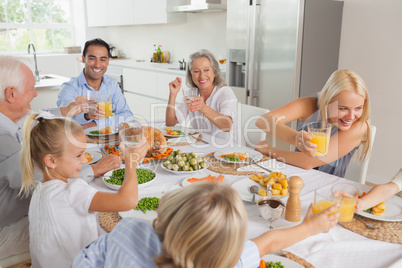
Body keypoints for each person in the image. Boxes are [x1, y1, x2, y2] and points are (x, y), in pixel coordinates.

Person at [0, 56, 121, 260]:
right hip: (7, 228)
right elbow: (49, 180)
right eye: (31, 88)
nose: (36, 93)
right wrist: (94, 169)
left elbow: (36, 116)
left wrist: (67, 111)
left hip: (20, 213)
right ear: (11, 94)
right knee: (94, 223)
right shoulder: (3, 139)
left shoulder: (9, 120)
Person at [73, 182, 339, 267]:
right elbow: (268, 242)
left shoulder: (128, 229)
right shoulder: (228, 263)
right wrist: (312, 227)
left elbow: (83, 260)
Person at [20, 112, 148, 268]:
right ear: (51, 160)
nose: (86, 160)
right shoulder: (72, 192)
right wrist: (131, 163)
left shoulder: (39, 192)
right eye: (79, 155)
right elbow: (129, 201)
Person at [255, 69, 372, 178]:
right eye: (343, 108)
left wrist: (270, 151)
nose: (351, 117)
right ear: (328, 100)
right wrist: (295, 138)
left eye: (358, 108)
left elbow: (308, 162)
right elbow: (263, 121)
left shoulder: (359, 126)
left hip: (327, 189)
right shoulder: (311, 105)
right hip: (297, 177)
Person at [165, 49, 241, 145]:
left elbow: (227, 125)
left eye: (206, 70)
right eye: (196, 71)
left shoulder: (225, 93)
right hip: (204, 145)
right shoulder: (191, 93)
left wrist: (203, 108)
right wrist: (172, 95)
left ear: (215, 72)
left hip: (229, 148)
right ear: (191, 74)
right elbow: (170, 122)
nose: (202, 76)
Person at [57, 38, 132, 129]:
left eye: (103, 59)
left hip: (108, 137)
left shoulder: (112, 84)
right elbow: (63, 120)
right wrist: (85, 116)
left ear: (108, 61)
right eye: (92, 58)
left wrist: (96, 124)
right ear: (83, 59)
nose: (97, 64)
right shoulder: (69, 87)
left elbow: (127, 115)